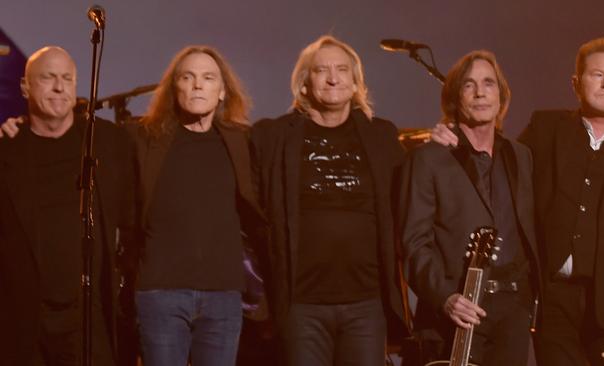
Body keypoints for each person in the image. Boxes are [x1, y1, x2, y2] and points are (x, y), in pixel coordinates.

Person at [429, 36, 604, 366]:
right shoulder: (546, 128)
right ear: (576, 83)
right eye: (596, 75)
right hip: (551, 303)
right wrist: (454, 135)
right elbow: (494, 162)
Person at [250, 35, 409, 366]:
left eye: (342, 70)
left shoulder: (382, 136)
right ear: (305, 83)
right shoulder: (273, 137)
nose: (333, 78)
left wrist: (443, 142)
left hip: (366, 302)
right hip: (301, 304)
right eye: (321, 70)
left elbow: (411, 199)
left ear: (355, 83)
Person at [123, 45, 267, 366]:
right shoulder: (143, 139)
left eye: (208, 78)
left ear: (221, 92)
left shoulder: (244, 142)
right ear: (174, 89)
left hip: (223, 294)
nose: (198, 85)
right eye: (187, 77)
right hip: (160, 293)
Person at [400, 50, 540, 366]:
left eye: (489, 83)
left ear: (501, 95)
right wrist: (446, 298)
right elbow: (414, 243)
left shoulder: (521, 156)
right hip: (458, 307)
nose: (480, 93)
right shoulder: (428, 158)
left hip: (513, 310)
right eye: (469, 85)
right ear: (453, 96)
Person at [0, 46, 130, 365]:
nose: (60, 87)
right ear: (25, 87)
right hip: (23, 321)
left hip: (88, 316)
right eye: (48, 78)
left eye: (67, 78)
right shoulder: (7, 150)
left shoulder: (107, 142)